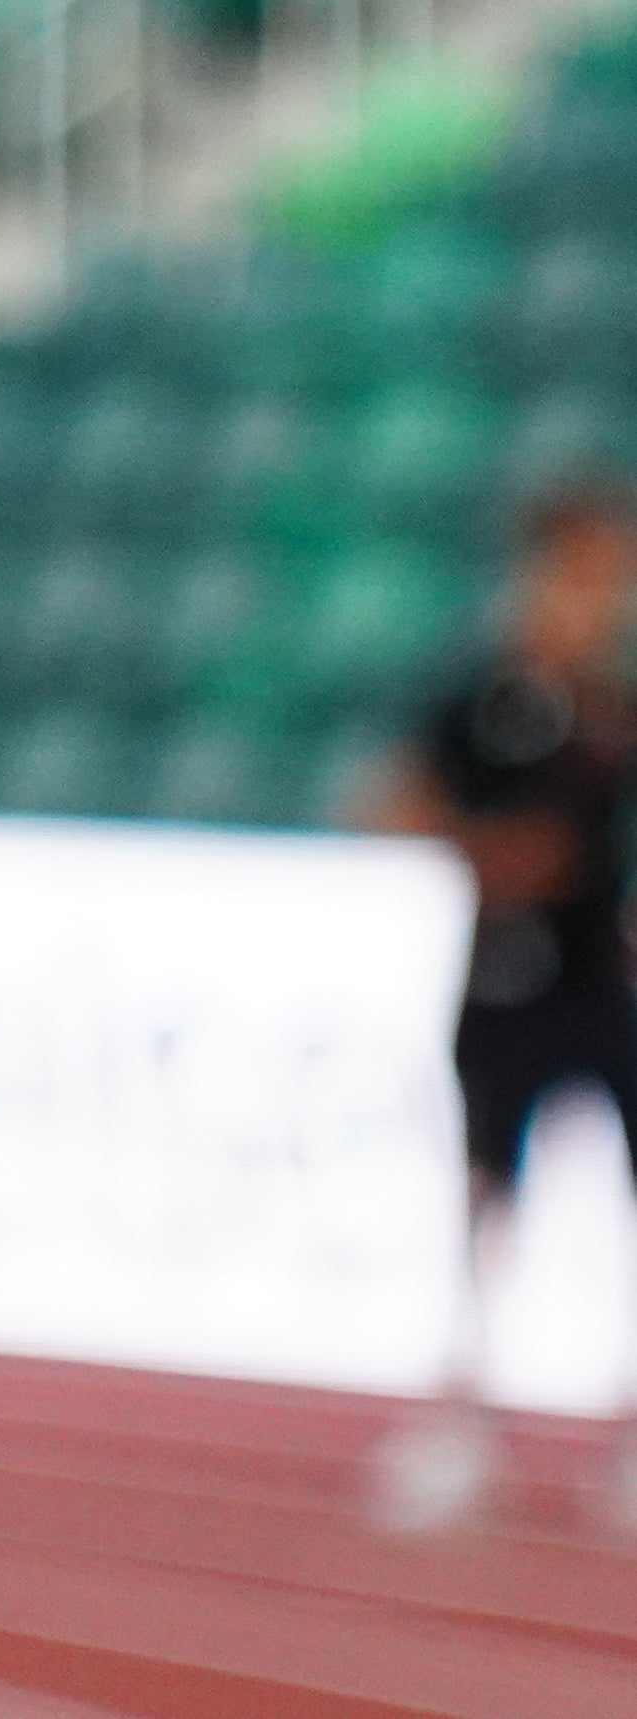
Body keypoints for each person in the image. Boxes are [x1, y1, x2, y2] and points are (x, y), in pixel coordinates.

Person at [363, 472, 637, 1532]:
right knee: (486, 1197)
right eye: (579, 572)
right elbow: (392, 796)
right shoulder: (484, 699)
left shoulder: (615, 709)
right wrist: (487, 852)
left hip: (605, 988)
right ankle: (462, 1413)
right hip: (502, 986)